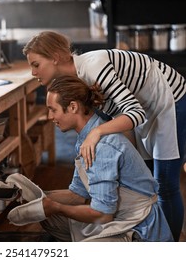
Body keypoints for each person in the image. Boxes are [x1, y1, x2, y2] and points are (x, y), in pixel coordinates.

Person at [22, 30, 186, 241]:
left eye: (36, 64)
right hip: (145, 108)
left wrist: (97, 132)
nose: (33, 72)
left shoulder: (94, 67)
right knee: (145, 181)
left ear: (55, 57)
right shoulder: (77, 80)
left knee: (164, 182)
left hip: (171, 99)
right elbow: (122, 115)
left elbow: (135, 113)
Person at [6, 75, 173, 242]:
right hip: (117, 215)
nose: (50, 116)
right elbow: (77, 194)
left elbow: (103, 215)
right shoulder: (86, 139)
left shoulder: (102, 147)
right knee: (47, 217)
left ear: (72, 107)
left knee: (56, 215)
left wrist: (56, 207)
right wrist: (33, 196)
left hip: (137, 226)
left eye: (53, 109)